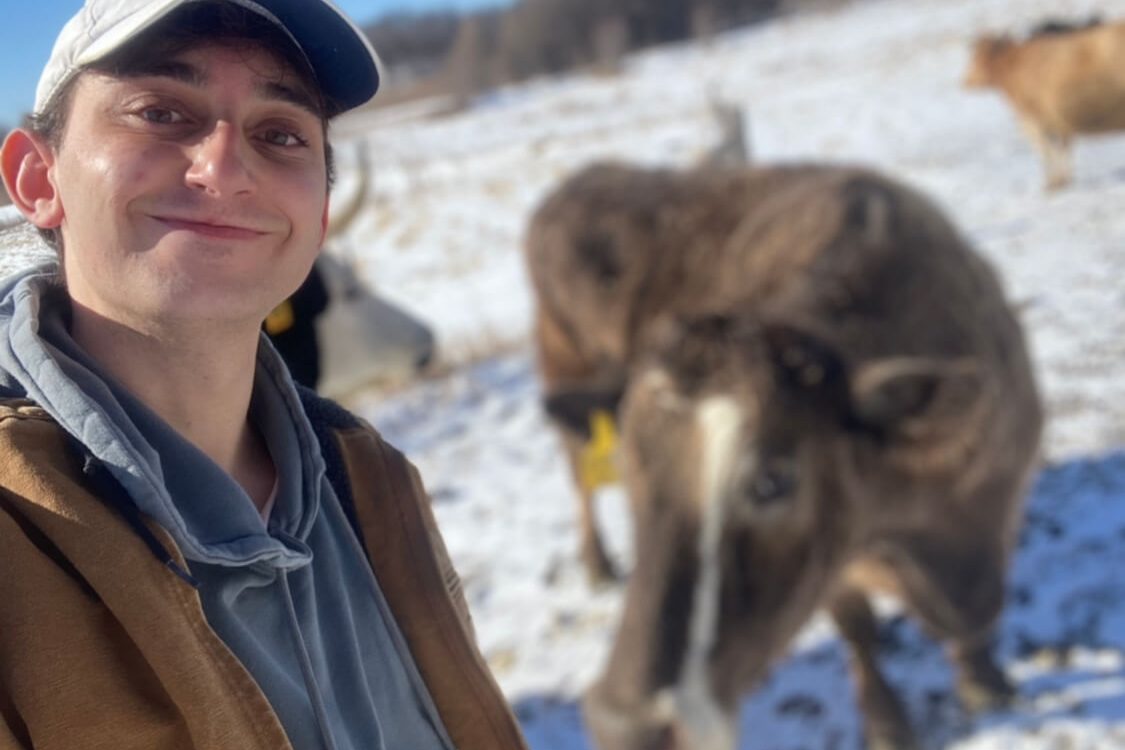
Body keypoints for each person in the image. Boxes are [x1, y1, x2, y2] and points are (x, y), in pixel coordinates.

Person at [0, 2, 527, 749]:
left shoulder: (372, 482)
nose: (224, 167)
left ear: (318, 219)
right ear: (36, 177)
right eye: (159, 112)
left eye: (280, 134)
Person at [265, 259, 330, 390]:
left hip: (285, 358)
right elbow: (321, 301)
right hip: (299, 358)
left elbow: (321, 300)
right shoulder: (295, 257)